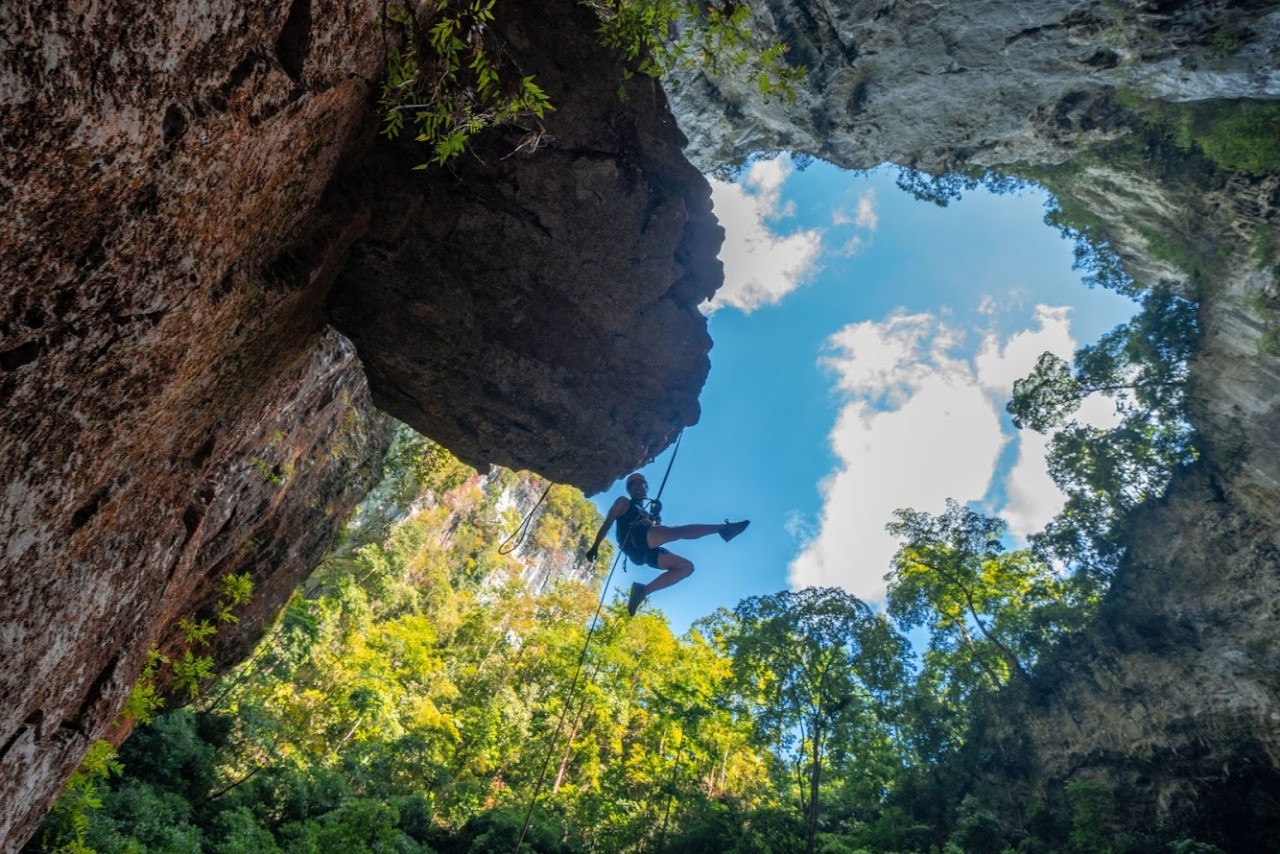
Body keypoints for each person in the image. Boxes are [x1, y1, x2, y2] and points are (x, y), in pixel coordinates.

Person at [585, 472, 749, 616]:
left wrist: (655, 516)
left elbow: (656, 532)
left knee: (686, 568)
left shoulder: (647, 512)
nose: (637, 486)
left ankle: (643, 591)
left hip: (645, 552)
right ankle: (724, 529)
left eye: (641, 483)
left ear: (646, 487)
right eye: (633, 484)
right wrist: (595, 546)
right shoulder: (624, 503)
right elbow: (608, 523)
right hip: (635, 541)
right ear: (629, 490)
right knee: (677, 532)